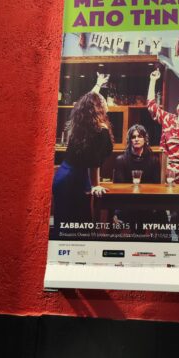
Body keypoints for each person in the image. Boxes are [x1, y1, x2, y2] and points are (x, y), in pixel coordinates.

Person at [52, 73, 113, 236]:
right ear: (98, 107)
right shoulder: (100, 129)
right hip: (74, 180)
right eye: (102, 99)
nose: (105, 100)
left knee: (66, 225)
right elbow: (95, 161)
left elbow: (87, 100)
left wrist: (98, 84)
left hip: (65, 176)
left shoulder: (81, 124)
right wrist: (95, 185)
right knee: (77, 226)